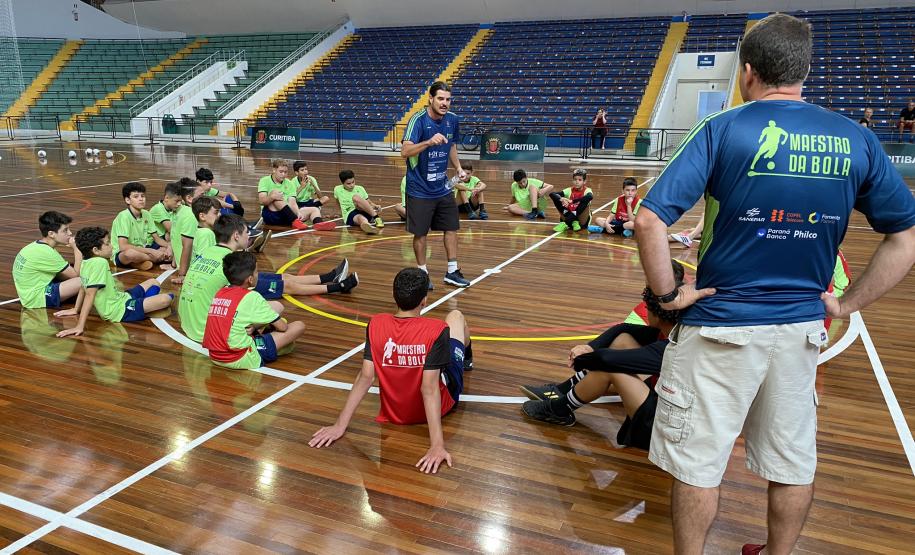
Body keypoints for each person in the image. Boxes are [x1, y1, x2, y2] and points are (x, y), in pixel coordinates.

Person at [633, 14, 915, 555]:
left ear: (747, 72)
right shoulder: (854, 137)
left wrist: (670, 297)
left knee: (698, 465)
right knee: (791, 462)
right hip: (801, 330)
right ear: (804, 71)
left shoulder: (723, 128)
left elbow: (649, 220)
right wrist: (845, 303)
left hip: (719, 328)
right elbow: (903, 237)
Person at [308, 267, 474, 474]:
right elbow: (429, 389)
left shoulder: (376, 323)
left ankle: (464, 357)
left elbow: (366, 377)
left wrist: (339, 425)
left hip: (395, 414)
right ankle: (467, 358)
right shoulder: (437, 329)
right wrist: (436, 445)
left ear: (393, 296)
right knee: (456, 317)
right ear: (424, 300)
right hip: (440, 405)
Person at [520, 261, 685, 435]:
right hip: (666, 396)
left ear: (658, 315)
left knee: (610, 367)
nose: (645, 309)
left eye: (648, 308)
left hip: (664, 423)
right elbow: (623, 329)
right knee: (622, 341)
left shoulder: (670, 347)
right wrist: (589, 347)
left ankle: (560, 408)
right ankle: (561, 393)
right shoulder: (672, 330)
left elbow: (607, 359)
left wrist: (582, 361)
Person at [179, 214, 357, 343]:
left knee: (283, 277)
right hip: (206, 329)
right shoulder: (230, 265)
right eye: (246, 232)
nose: (249, 236)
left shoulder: (211, 253)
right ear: (236, 236)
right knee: (281, 294)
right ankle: (337, 286)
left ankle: (329, 276)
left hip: (189, 322)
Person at [400, 81, 471, 288]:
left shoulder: (453, 120)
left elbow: (451, 146)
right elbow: (405, 152)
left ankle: (452, 272)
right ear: (430, 99)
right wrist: (428, 142)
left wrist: (457, 168)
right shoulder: (418, 121)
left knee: (451, 228)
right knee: (420, 233)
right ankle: (422, 274)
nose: (445, 103)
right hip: (419, 189)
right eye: (440, 98)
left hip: (443, 187)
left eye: (448, 99)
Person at [56, 227, 174, 338]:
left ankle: (143, 305)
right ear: (96, 250)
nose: (112, 246)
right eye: (107, 244)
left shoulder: (86, 262)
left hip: (122, 298)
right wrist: (79, 326)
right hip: (119, 311)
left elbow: (83, 286)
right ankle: (144, 307)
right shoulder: (99, 263)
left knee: (153, 282)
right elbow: (89, 294)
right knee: (166, 299)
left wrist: (76, 309)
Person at [202, 252, 305, 370]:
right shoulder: (252, 296)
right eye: (257, 272)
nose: (258, 274)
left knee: (273, 325)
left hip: (215, 356)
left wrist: (255, 327)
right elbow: (282, 328)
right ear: (250, 279)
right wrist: (257, 327)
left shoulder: (220, 292)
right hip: (240, 357)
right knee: (298, 326)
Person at [13, 211, 83, 309]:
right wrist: (77, 248)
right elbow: (76, 275)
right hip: (36, 298)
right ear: (51, 234)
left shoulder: (36, 246)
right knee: (85, 280)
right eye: (65, 230)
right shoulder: (46, 252)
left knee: (69, 272)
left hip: (27, 295)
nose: (70, 233)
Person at [258, 159, 334, 231]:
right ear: (274, 170)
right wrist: (271, 197)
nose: (283, 174)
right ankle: (295, 221)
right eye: (281, 172)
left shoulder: (289, 182)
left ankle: (319, 224)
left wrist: (298, 212)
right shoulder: (264, 180)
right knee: (276, 195)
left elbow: (292, 202)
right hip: (272, 215)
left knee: (314, 209)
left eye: (286, 172)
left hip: (288, 215)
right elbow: (262, 201)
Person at [110, 182, 172, 271]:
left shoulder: (146, 213)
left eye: (142, 196)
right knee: (130, 254)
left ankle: (137, 263)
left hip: (144, 249)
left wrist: (169, 246)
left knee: (168, 250)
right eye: (136, 197)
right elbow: (123, 247)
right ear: (127, 200)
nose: (141, 199)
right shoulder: (123, 217)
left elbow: (157, 239)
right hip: (125, 252)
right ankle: (150, 259)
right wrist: (152, 252)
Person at [333, 169, 384, 235]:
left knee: (355, 197)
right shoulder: (337, 189)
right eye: (348, 183)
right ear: (342, 183)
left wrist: (375, 206)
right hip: (350, 214)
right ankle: (367, 226)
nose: (352, 185)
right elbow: (337, 202)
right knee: (360, 219)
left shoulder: (360, 188)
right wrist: (338, 213)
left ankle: (376, 218)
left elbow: (368, 202)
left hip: (364, 210)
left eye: (353, 182)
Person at [170, 179, 199, 284]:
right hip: (191, 270)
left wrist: (173, 264)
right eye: (201, 194)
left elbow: (174, 238)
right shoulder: (191, 215)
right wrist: (182, 274)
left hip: (183, 266)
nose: (204, 197)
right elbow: (187, 245)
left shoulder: (179, 210)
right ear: (189, 198)